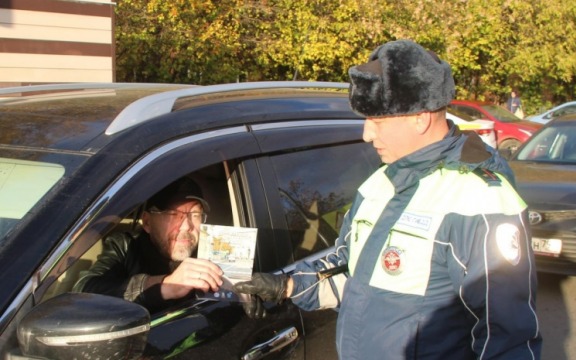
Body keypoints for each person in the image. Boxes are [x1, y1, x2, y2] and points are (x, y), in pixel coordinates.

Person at [234, 40, 542, 359]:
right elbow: (351, 276)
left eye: (377, 121)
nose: (367, 135)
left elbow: (507, 336)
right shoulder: (378, 184)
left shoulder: (479, 199)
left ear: (420, 117)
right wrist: (285, 286)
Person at [73, 177, 224, 312]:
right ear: (147, 222)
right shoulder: (126, 246)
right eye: (173, 215)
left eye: (195, 215)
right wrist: (164, 285)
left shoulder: (212, 250)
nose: (186, 226)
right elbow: (84, 291)